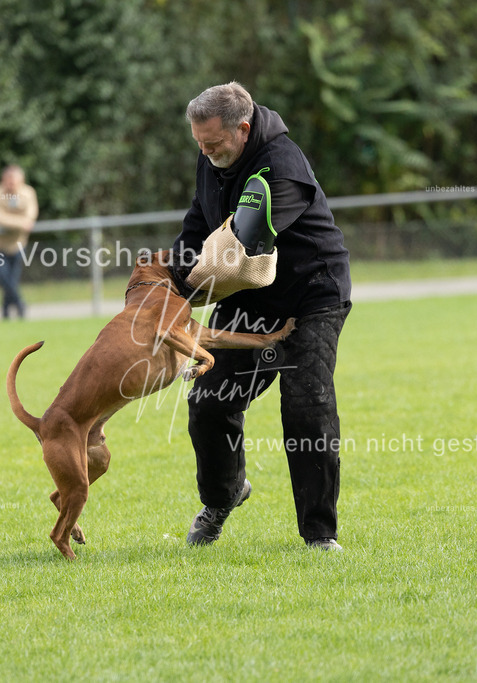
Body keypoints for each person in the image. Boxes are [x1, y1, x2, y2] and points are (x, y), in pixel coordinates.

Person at [171, 82, 352, 551]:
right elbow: (199, 222)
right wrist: (168, 287)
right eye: (199, 144)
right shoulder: (212, 159)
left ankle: (319, 536)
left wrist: (190, 290)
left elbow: (242, 247)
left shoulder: (282, 167)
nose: (206, 153)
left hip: (311, 296)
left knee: (306, 407)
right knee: (209, 401)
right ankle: (223, 498)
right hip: (253, 300)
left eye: (213, 143)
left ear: (243, 129)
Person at [0, 165, 38, 319]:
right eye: (8, 181)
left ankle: (6, 311)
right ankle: (20, 304)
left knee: (12, 281)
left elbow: (31, 213)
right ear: (3, 180)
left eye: (14, 181)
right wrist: (21, 223)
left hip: (18, 244)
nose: (11, 185)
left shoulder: (28, 193)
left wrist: (25, 221)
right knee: (4, 279)